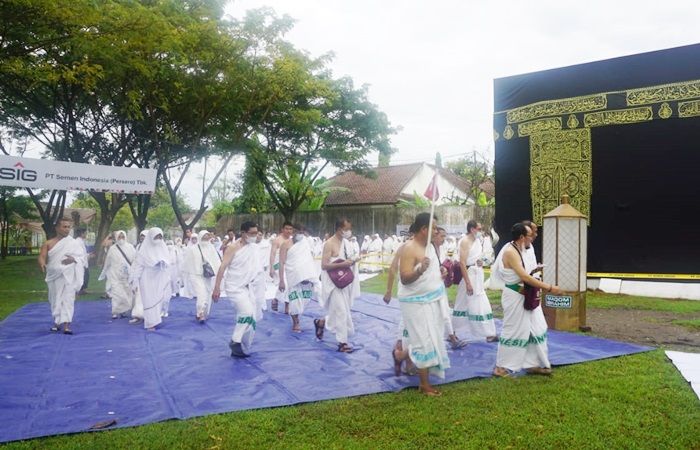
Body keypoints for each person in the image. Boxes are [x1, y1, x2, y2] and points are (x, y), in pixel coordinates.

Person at [491, 222, 562, 377]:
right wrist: (549, 287)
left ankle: (532, 364)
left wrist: (535, 271)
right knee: (514, 331)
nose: (533, 237)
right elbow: (523, 277)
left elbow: (525, 273)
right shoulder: (510, 251)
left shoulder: (524, 249)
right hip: (515, 297)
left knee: (539, 328)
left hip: (528, 297)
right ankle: (500, 367)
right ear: (522, 237)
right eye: (530, 235)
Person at [391, 213, 451, 396]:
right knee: (423, 340)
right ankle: (424, 385)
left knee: (431, 337)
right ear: (424, 229)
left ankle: (400, 356)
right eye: (434, 228)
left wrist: (440, 269)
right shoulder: (409, 248)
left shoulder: (430, 246)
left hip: (432, 299)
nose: (437, 231)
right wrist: (419, 270)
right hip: (415, 302)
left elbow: (431, 270)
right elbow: (405, 278)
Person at [213, 221, 262, 358]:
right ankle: (235, 341)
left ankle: (241, 345)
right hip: (234, 287)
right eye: (252, 233)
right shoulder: (232, 248)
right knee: (246, 312)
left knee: (251, 315)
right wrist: (217, 288)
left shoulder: (253, 248)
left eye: (256, 233)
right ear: (243, 233)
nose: (255, 236)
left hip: (248, 287)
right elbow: (222, 267)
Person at [314, 218, 360, 353]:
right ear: (340, 229)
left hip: (344, 281)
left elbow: (349, 259)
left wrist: (353, 261)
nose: (349, 232)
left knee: (340, 311)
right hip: (333, 283)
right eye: (347, 229)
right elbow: (324, 265)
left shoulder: (347, 243)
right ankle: (342, 342)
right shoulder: (329, 244)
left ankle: (321, 323)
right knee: (341, 312)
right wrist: (342, 264)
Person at [38, 218, 86, 334]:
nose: (67, 229)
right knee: (55, 299)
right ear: (57, 228)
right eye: (64, 227)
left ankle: (66, 325)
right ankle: (56, 322)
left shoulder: (73, 243)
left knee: (68, 299)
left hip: (68, 275)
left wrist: (73, 259)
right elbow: (42, 256)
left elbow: (83, 257)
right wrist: (42, 263)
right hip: (54, 275)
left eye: (69, 227)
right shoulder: (48, 243)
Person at [453, 220, 498, 342]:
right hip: (469, 275)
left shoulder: (477, 241)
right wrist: (468, 283)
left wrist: (480, 262)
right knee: (462, 302)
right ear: (472, 229)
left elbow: (476, 258)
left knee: (479, 301)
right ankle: (452, 332)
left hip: (477, 274)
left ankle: (489, 333)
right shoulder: (465, 241)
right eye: (479, 229)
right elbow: (462, 263)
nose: (481, 231)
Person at [278, 224, 321, 333]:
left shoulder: (306, 242)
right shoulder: (285, 245)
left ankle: (297, 317)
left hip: (307, 276)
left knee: (305, 300)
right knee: (294, 301)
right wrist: (281, 281)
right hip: (293, 277)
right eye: (298, 231)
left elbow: (310, 257)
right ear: (293, 232)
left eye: (302, 232)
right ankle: (296, 322)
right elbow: (282, 263)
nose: (300, 233)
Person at [129, 227, 172, 331]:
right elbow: (139, 266)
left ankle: (156, 319)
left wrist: (162, 264)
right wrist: (135, 281)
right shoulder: (143, 251)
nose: (158, 239)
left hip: (160, 278)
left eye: (160, 237)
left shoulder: (163, 248)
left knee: (159, 299)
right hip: (147, 279)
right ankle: (150, 323)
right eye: (156, 236)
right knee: (149, 300)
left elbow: (168, 263)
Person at [183, 230, 221, 323]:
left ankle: (202, 313)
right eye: (204, 237)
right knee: (201, 294)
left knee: (207, 294)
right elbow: (187, 263)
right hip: (195, 275)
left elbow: (216, 261)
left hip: (207, 275)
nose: (205, 238)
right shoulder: (193, 249)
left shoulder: (211, 248)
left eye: (207, 237)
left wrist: (217, 272)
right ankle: (201, 313)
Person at [98, 230, 136, 319]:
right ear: (116, 238)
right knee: (116, 293)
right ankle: (115, 311)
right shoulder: (112, 249)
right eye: (119, 237)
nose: (121, 239)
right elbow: (108, 261)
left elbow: (135, 259)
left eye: (123, 237)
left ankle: (123, 311)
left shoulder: (130, 247)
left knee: (127, 293)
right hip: (115, 275)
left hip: (127, 275)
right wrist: (104, 271)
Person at [269, 222, 294, 313]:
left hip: (288, 265)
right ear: (282, 229)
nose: (288, 231)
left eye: (290, 229)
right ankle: (283, 303)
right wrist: (271, 267)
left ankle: (278, 301)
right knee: (285, 284)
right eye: (286, 229)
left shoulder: (292, 240)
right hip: (277, 265)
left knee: (290, 284)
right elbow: (272, 254)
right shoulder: (277, 240)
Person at [74, 228, 91, 295]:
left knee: (86, 276)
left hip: (84, 261)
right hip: (80, 262)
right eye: (85, 233)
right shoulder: (77, 242)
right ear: (82, 234)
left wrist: (88, 255)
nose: (86, 234)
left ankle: (83, 289)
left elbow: (83, 252)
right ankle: (79, 290)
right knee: (82, 276)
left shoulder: (82, 241)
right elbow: (78, 253)